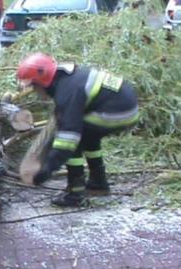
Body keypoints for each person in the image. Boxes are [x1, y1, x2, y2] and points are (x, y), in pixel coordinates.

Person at [17, 52, 139, 207]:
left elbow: (67, 139)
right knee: (89, 136)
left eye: (34, 86)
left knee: (70, 139)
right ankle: (98, 183)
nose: (34, 90)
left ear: (42, 81)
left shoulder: (67, 92)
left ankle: (75, 194)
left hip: (118, 114)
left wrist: (46, 171)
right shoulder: (67, 77)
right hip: (125, 109)